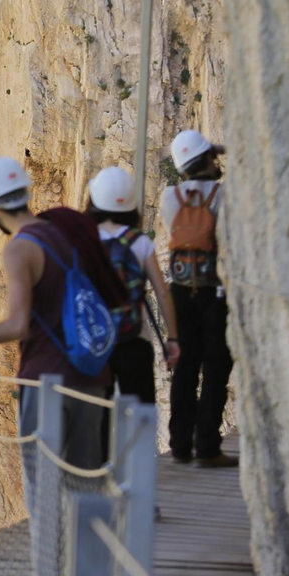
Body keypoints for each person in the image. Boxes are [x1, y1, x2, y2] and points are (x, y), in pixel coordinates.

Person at [0, 157, 128, 471]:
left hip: (46, 380)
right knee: (85, 484)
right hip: (92, 375)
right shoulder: (67, 230)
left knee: (45, 492)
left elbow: (17, 325)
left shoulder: (19, 249)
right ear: (26, 194)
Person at [87, 166, 181, 451]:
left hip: (96, 342)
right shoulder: (139, 242)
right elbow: (162, 294)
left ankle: (99, 479)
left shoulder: (85, 239)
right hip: (134, 339)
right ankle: (139, 482)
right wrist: (173, 339)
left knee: (96, 415)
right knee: (140, 415)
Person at [160, 130, 238, 467]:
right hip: (213, 292)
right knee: (216, 367)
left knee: (185, 368)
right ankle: (207, 447)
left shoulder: (170, 197)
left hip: (179, 290)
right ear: (208, 158)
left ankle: (179, 446)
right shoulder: (223, 195)